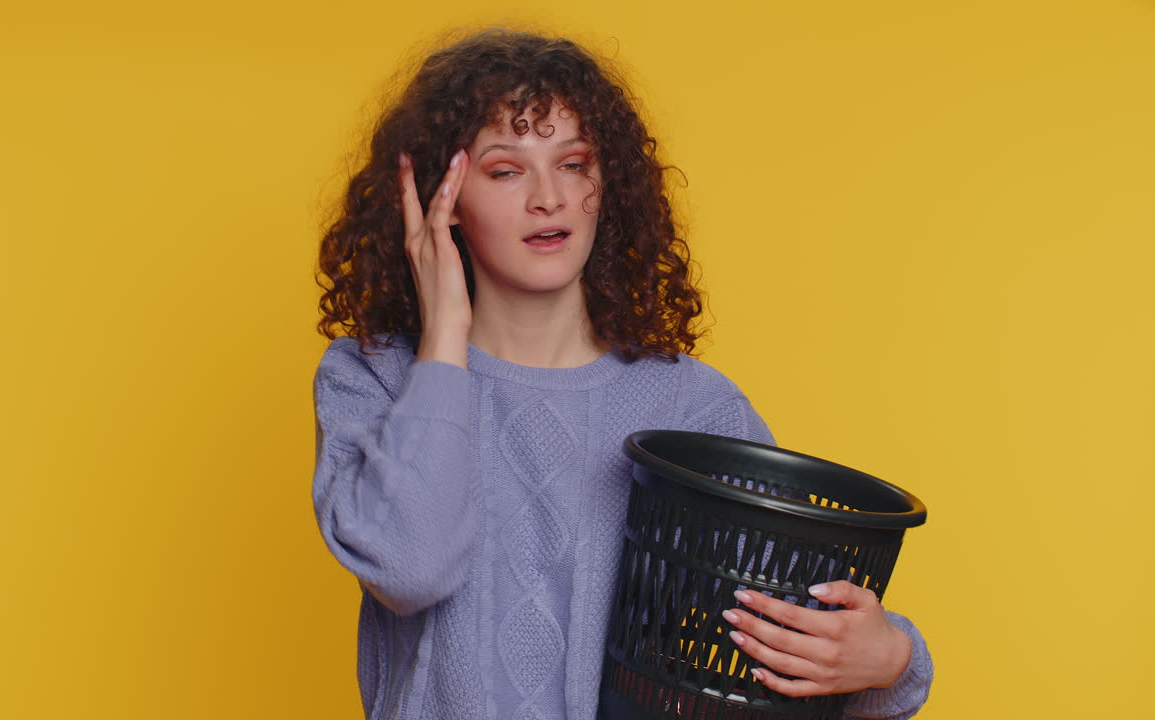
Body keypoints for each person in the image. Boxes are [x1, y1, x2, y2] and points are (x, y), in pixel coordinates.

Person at [312, 28, 933, 720]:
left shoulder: (694, 409)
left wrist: (894, 660)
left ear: (605, 184)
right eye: (506, 170)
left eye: (573, 163)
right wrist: (446, 341)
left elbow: (770, 651)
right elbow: (411, 568)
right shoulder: (375, 378)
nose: (548, 197)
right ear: (444, 197)